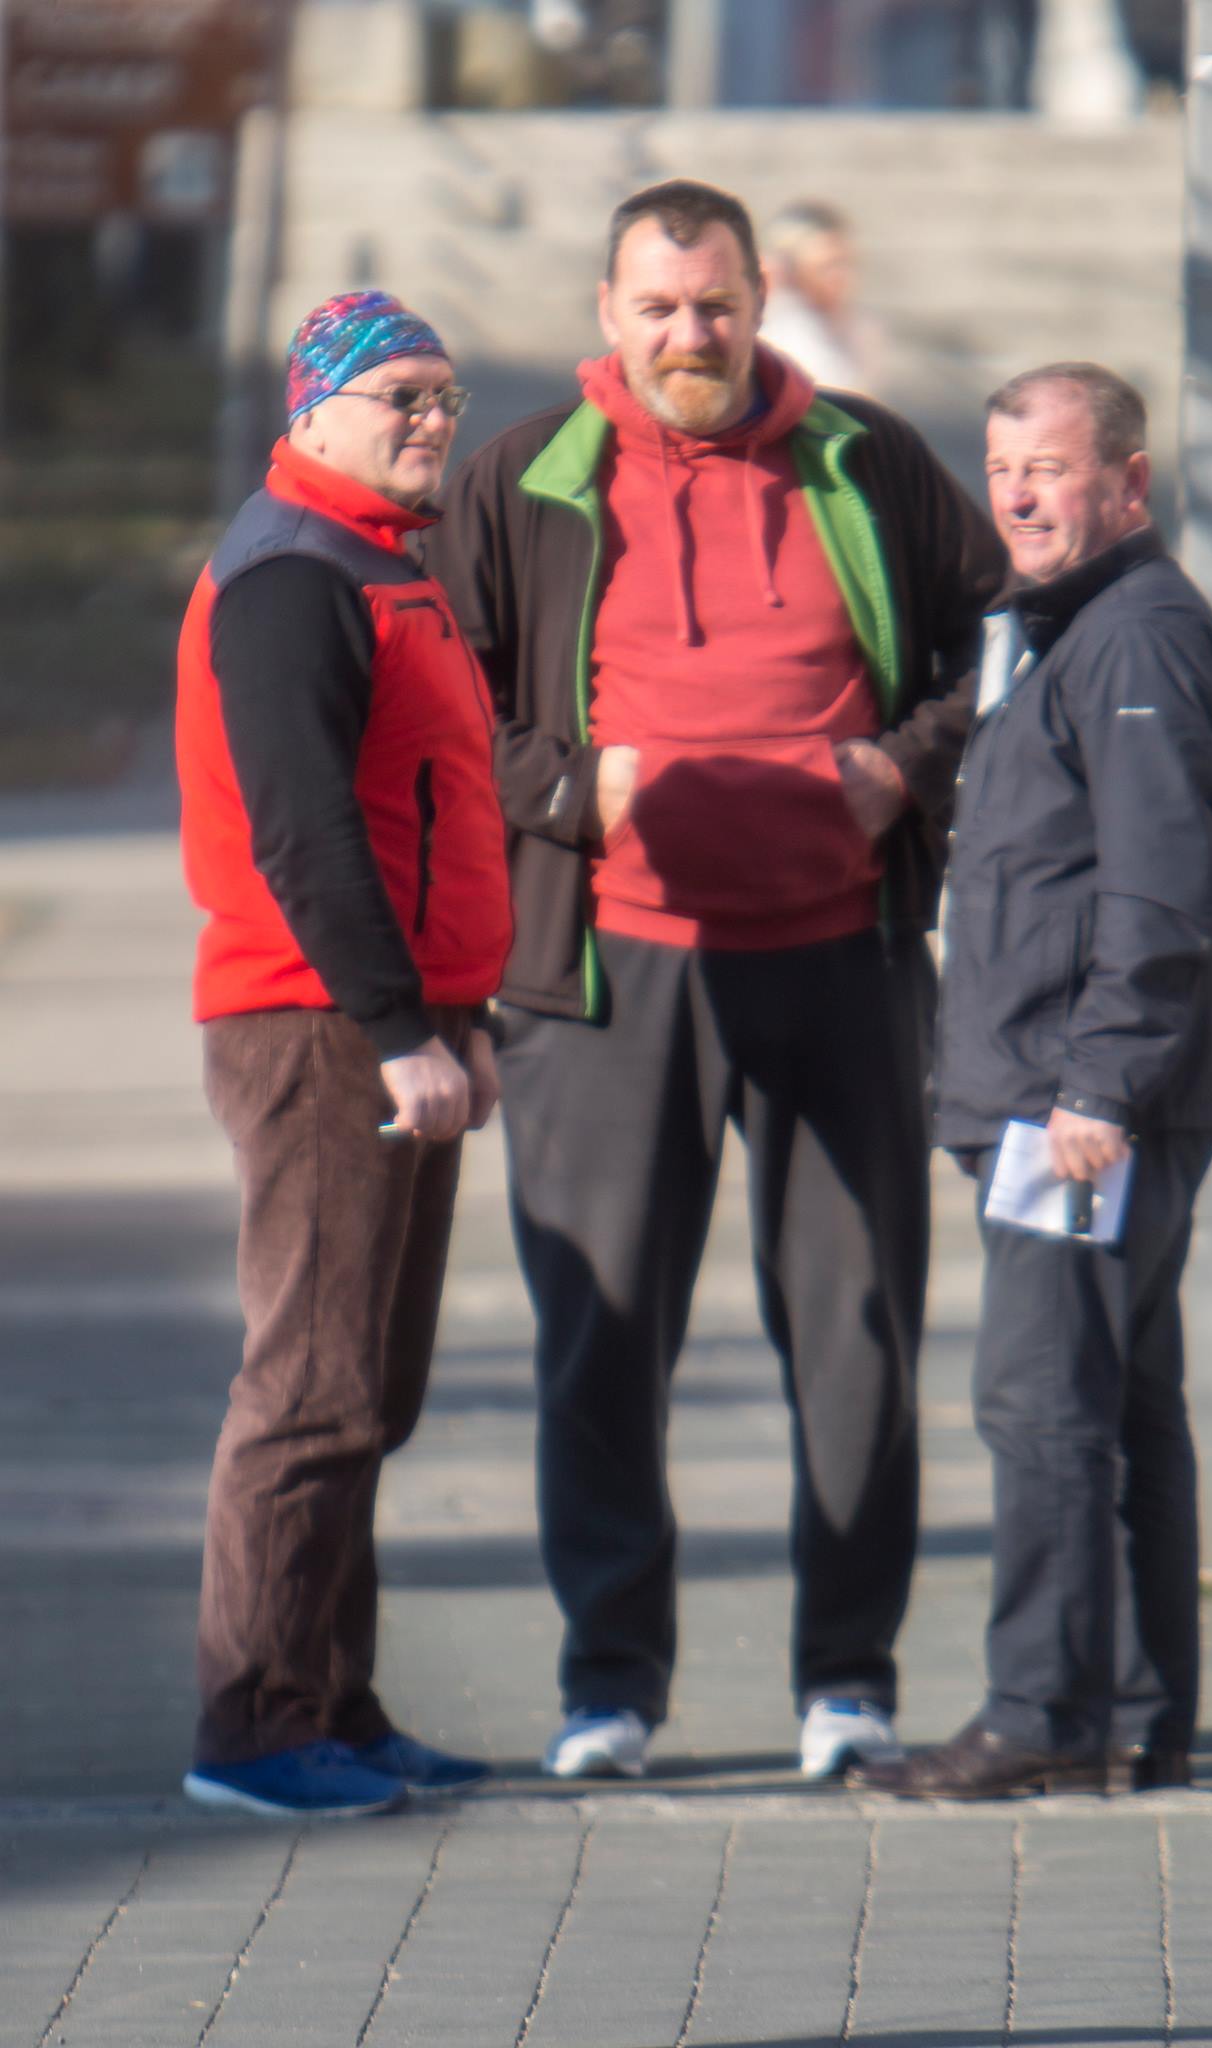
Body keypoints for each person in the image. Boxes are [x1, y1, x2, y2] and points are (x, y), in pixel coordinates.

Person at [432, 179, 1004, 1781]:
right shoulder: (526, 477)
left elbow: (999, 645)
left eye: (716, 305)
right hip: (609, 972)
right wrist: (568, 789)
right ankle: (609, 1686)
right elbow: (444, 698)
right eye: (660, 307)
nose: (691, 334)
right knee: (603, 1341)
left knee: (859, 1336)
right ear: (607, 316)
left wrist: (905, 767)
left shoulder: (867, 458)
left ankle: (848, 1683)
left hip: (842, 959)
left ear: (759, 303)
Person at [854, 362, 1212, 1801]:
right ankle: (1138, 1717)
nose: (1019, 496)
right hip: (1073, 1092)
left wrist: (1096, 1087)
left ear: (1129, 482)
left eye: (1053, 467)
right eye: (1002, 468)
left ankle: (1040, 1711)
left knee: (1040, 1403)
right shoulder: (1069, 628)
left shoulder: (1134, 635)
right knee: (1122, 1400)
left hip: (1077, 1108)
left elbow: (1156, 889)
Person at [175, 291, 513, 1817]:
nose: (430, 419)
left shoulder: (381, 562)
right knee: (311, 1383)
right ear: (312, 412)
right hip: (315, 1023)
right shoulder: (291, 576)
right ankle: (253, 1727)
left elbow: (426, 814)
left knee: (372, 1388)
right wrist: (394, 1027)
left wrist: (459, 1019)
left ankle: (332, 1702)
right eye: (398, 395)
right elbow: (306, 833)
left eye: (443, 394)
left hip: (392, 1024)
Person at [760, 200, 880, 397]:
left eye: (846, 263)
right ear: (790, 269)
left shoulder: (859, 328)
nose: (841, 277)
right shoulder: (782, 332)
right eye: (828, 267)